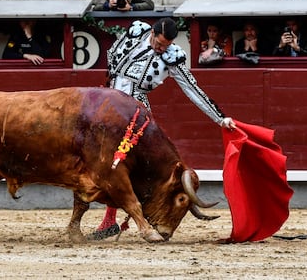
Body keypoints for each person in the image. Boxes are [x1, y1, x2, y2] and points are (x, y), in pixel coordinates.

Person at [87, 17, 236, 240]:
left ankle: (116, 219)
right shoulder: (136, 33)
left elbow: (192, 90)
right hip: (106, 104)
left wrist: (221, 118)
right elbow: (112, 61)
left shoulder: (172, 57)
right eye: (159, 44)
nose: (161, 49)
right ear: (153, 34)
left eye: (165, 46)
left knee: (119, 164)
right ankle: (113, 219)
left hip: (133, 114)